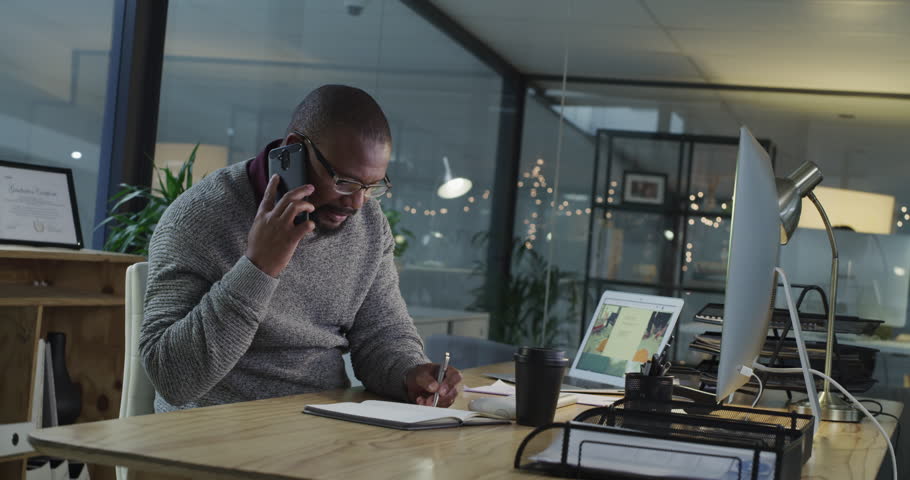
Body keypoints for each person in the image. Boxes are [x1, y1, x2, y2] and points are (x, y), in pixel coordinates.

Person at [140, 85, 462, 413]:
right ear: (294, 150)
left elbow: (382, 334)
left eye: (371, 186)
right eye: (344, 181)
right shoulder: (201, 216)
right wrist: (258, 267)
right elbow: (172, 378)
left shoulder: (368, 224)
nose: (356, 202)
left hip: (321, 423)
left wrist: (411, 374)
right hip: (215, 429)